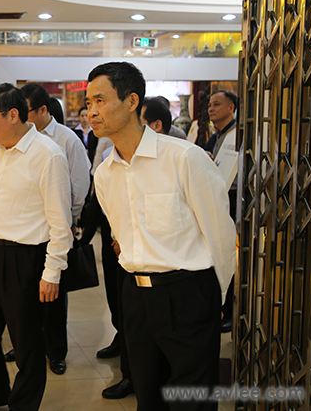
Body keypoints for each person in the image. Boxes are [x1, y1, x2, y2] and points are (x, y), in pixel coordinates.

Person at [86, 62, 236, 411]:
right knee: (148, 394)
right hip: (135, 294)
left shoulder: (184, 158)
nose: (91, 111)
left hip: (187, 292)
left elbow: (220, 233)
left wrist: (214, 298)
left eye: (100, 100)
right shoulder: (105, 173)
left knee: (192, 398)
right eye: (89, 102)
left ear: (131, 101)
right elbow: (121, 235)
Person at [0, 84, 73, 411]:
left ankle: (23, 404)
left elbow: (60, 222)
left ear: (12, 115)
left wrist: (52, 273)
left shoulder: (48, 155)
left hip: (24, 258)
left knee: (27, 343)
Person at [0, 83, 89, 376]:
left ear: (42, 110)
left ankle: (56, 351)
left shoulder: (65, 140)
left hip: (55, 229)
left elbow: (79, 185)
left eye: (25, 111)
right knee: (25, 296)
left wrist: (67, 219)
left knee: (54, 295)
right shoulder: (13, 140)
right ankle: (24, 345)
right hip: (26, 234)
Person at [204, 90, 239, 334]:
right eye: (209, 104)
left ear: (231, 108)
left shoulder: (237, 135)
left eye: (217, 104)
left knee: (230, 257)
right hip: (217, 200)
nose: (211, 108)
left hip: (233, 201)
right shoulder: (215, 136)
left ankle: (230, 311)